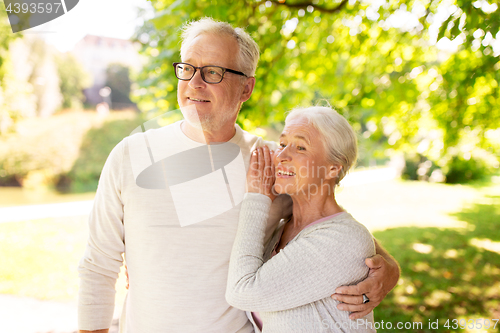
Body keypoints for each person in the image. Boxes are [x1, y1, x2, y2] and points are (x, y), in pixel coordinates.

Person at [78, 18, 400, 333]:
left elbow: (333, 226)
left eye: (212, 72)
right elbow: (98, 265)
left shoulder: (273, 163)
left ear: (246, 87)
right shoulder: (130, 155)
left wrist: (388, 269)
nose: (194, 84)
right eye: (187, 68)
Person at [226, 106, 376, 332]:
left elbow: (241, 292)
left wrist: (256, 198)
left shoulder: (344, 239)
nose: (282, 156)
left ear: (333, 168)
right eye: (283, 144)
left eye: (301, 147)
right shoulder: (281, 230)